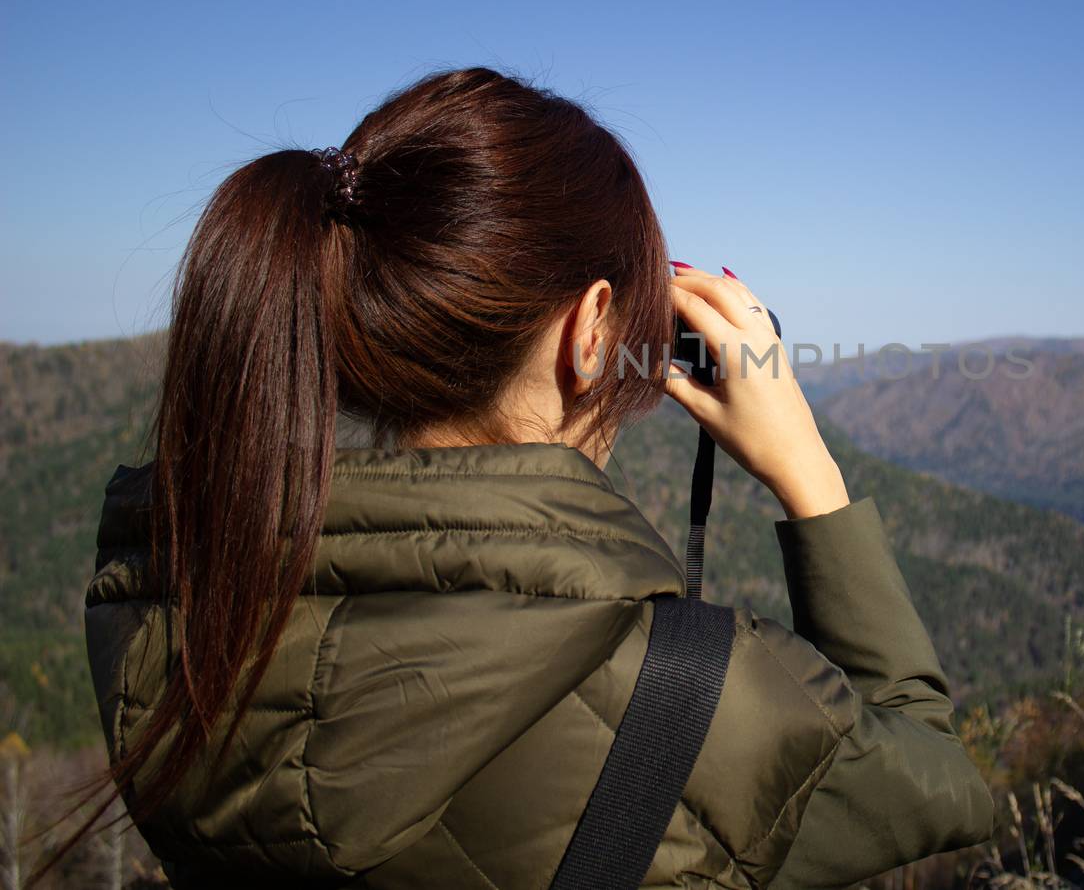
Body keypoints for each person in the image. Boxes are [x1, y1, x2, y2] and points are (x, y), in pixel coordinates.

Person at [81, 67, 995, 888]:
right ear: (592, 328)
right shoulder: (688, 698)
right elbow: (934, 777)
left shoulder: (172, 624)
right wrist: (809, 472)